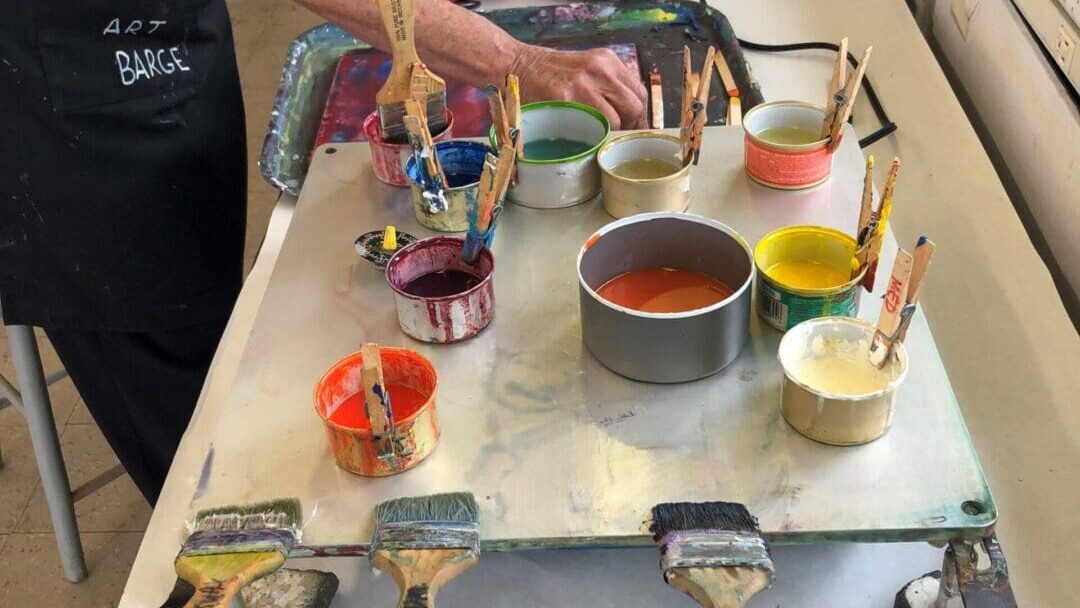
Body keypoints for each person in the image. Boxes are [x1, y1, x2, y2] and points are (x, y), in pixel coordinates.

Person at [0, 0, 645, 505]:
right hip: (72, 150)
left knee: (226, 356)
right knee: (200, 472)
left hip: (171, 78)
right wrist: (519, 63)